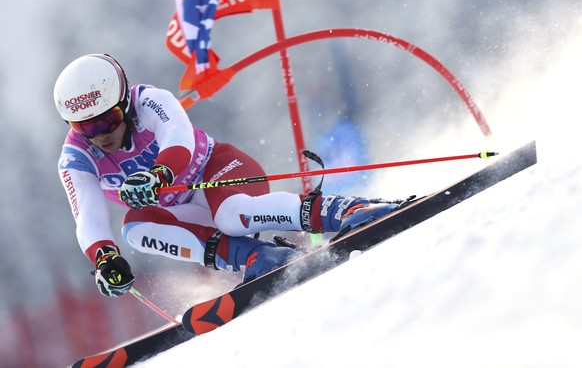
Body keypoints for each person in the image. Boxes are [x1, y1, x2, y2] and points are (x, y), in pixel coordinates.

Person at [55, 53, 406, 298]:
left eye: (107, 120)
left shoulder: (148, 101)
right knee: (134, 229)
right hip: (187, 212)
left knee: (232, 214)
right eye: (83, 126)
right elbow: (87, 216)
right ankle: (258, 257)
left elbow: (179, 139)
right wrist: (105, 259)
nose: (100, 133)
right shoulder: (77, 156)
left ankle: (347, 211)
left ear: (124, 103)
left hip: (219, 173)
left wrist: (159, 175)